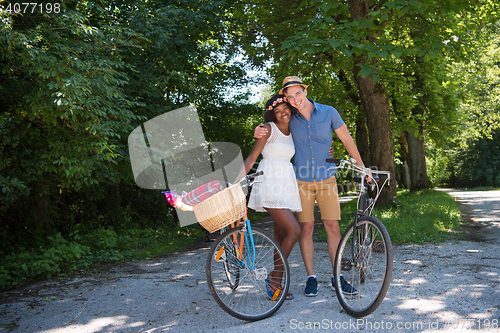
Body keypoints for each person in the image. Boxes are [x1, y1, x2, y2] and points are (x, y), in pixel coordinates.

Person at [254, 76, 368, 297]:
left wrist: (362, 168)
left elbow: (346, 140)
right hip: (301, 181)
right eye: (289, 96)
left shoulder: (329, 112)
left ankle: (337, 277)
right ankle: (311, 277)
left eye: (298, 93)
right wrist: (258, 130)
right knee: (305, 229)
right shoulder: (290, 117)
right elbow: (272, 128)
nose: (294, 99)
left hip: (327, 179)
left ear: (305, 91)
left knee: (333, 227)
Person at [236, 94, 302, 300]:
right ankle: (275, 278)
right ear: (272, 114)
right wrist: (235, 181)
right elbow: (252, 157)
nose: (283, 113)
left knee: (282, 234)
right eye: (277, 111)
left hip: (286, 184)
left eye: (285, 109)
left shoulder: (293, 131)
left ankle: (275, 282)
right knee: (295, 230)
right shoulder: (268, 129)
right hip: (270, 183)